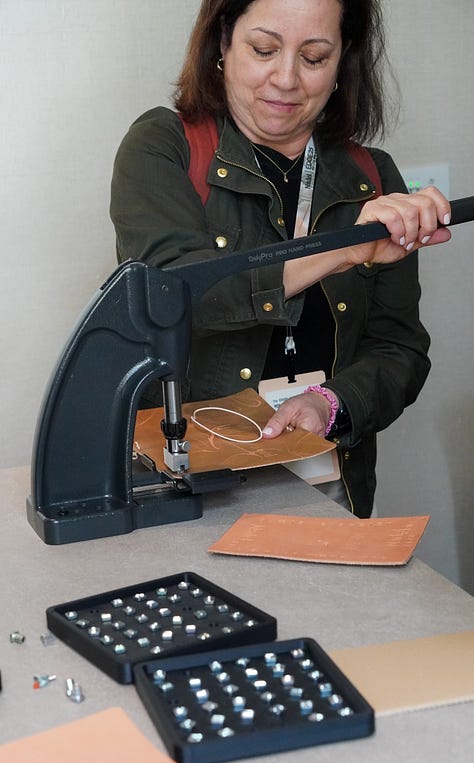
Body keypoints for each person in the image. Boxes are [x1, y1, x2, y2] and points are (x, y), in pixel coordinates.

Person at [110, 0, 452, 518]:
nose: (287, 78)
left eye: (314, 58)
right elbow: (169, 294)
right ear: (224, 42)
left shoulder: (372, 174)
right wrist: (343, 250)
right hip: (189, 487)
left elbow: (399, 348)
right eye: (264, 49)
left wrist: (331, 404)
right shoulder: (163, 146)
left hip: (329, 485)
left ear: (343, 63)